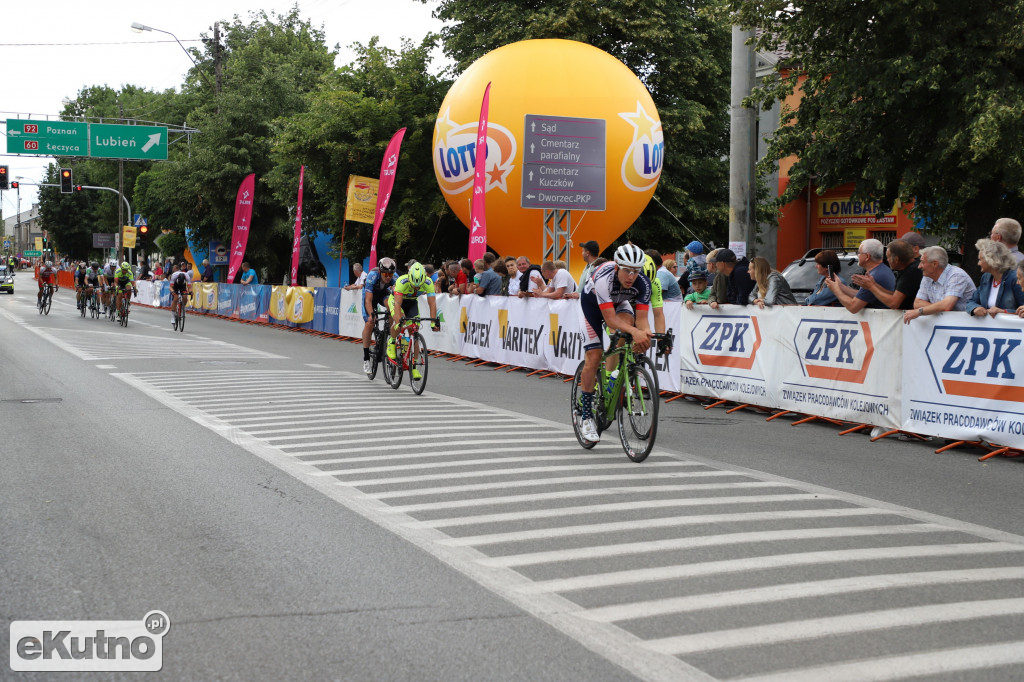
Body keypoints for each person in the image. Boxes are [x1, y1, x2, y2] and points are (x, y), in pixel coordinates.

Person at [576, 244, 653, 443]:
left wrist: (645, 334)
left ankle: (615, 373)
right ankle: (586, 417)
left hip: (619, 303)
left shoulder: (643, 283)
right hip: (590, 306)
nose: (631, 276)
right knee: (594, 356)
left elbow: (642, 319)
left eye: (636, 271)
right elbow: (610, 320)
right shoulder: (604, 279)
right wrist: (636, 332)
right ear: (617, 267)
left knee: (629, 327)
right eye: (627, 270)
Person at [386, 263, 440, 381]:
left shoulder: (428, 282)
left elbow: (432, 303)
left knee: (414, 330)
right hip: (397, 301)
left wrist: (433, 322)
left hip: (411, 303)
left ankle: (414, 366)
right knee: (399, 324)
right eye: (414, 285)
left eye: (419, 286)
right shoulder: (402, 281)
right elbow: (398, 304)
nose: (416, 288)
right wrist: (400, 322)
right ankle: (392, 341)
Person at [903, 246, 977, 324]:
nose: (919, 266)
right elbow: (917, 303)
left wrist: (920, 311)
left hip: (967, 325)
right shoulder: (927, 276)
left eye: (922, 262)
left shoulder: (956, 275)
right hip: (949, 324)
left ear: (935, 264)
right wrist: (939, 307)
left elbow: (946, 306)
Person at [825, 238, 895, 313]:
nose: (857, 255)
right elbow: (861, 296)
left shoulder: (875, 276)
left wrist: (836, 290)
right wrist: (840, 285)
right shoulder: (880, 270)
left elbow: (853, 307)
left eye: (859, 252)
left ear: (867, 257)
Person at [851, 239, 922, 310]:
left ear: (896, 259)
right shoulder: (908, 269)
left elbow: (894, 303)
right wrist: (874, 284)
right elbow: (894, 294)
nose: (887, 260)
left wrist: (871, 286)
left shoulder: (912, 272)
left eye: (888, 257)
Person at [966, 238, 1024, 317]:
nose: (978, 263)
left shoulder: (1014, 279)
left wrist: (1003, 311)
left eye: (980, 259)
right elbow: (971, 301)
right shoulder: (985, 278)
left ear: (991, 260)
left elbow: (1022, 309)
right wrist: (975, 308)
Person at [360, 258, 396, 373]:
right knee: (370, 322)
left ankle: (389, 334)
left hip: (383, 294)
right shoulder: (372, 275)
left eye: (390, 274)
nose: (388, 277)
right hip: (370, 296)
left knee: (392, 308)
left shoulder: (394, 277)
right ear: (380, 271)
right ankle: (366, 358)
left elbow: (397, 295)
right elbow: (368, 301)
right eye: (385, 274)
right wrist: (371, 315)